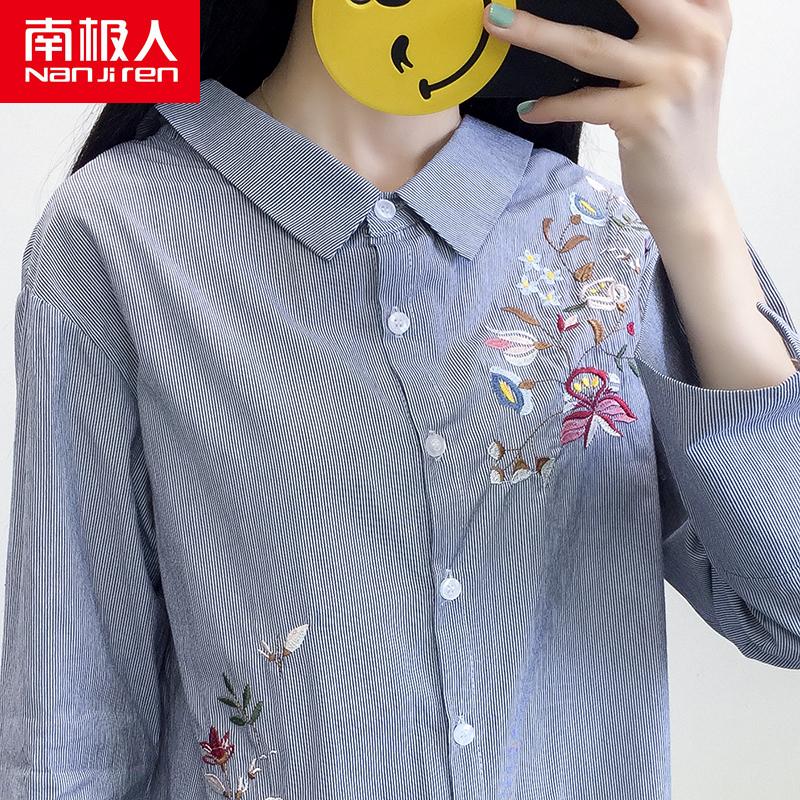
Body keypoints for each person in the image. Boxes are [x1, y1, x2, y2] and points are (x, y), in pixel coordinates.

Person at [1, 0, 799, 798]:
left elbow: (786, 613)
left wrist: (697, 214)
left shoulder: (600, 239)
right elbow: (69, 737)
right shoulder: (116, 234)